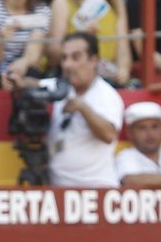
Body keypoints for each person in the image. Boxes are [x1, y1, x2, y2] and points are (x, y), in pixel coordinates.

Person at [47, 30, 124, 187]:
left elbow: (109, 135)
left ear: (93, 60)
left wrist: (83, 108)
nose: (68, 64)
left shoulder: (106, 94)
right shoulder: (62, 87)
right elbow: (34, 84)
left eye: (76, 57)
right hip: (60, 191)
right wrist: (16, 79)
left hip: (96, 191)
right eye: (64, 58)